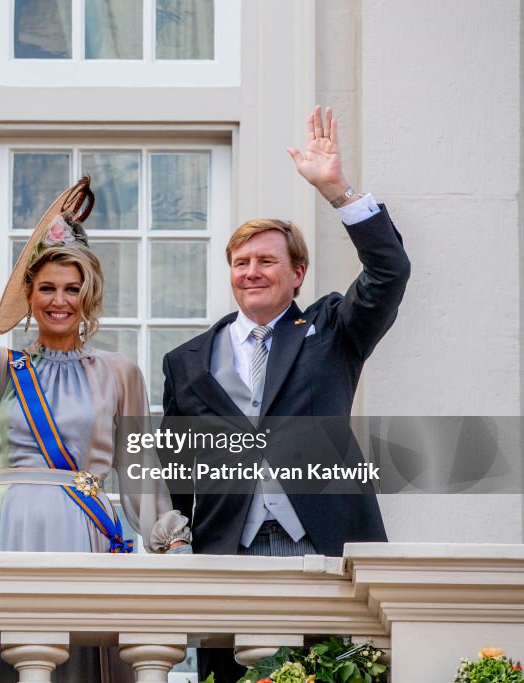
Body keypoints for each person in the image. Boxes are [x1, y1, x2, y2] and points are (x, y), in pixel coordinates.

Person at [0, 168, 190, 683]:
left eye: (71, 288)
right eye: (46, 288)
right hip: (9, 529)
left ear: (88, 297)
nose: (59, 300)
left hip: (83, 533)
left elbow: (140, 472)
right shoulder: (0, 368)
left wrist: (171, 540)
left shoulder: (120, 372)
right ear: (30, 297)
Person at [161, 106, 411, 680]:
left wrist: (338, 191)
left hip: (326, 547)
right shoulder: (186, 361)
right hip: (228, 552)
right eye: (241, 262)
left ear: (297, 273)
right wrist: (175, 546)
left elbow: (389, 273)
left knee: (342, 674)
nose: (252, 271)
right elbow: (179, 469)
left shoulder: (332, 331)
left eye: (267, 260)